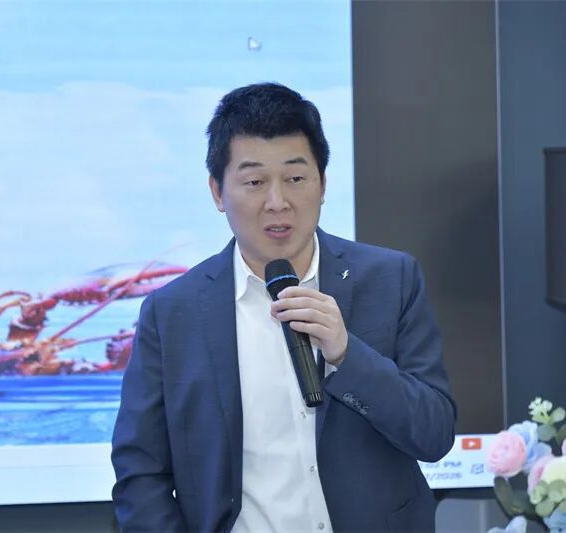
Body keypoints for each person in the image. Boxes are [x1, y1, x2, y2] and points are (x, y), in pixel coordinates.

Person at [111, 82, 456, 532]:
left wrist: (347, 355)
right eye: (254, 182)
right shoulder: (172, 312)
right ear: (217, 192)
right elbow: (141, 472)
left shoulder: (391, 279)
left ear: (323, 183)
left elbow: (434, 434)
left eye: (295, 178)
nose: (278, 203)